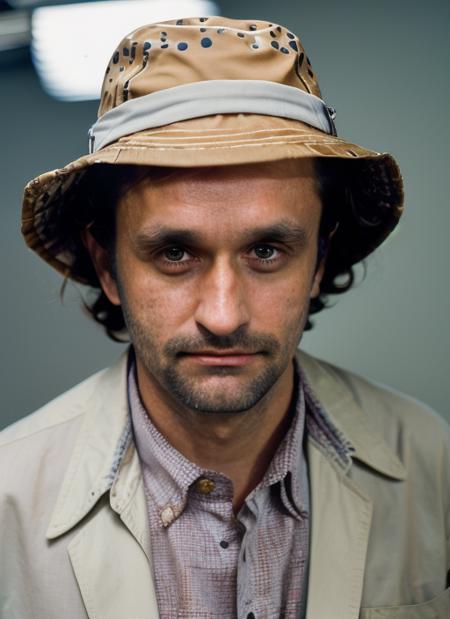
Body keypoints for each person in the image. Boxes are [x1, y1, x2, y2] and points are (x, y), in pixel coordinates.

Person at [0, 15, 449, 619]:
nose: (222, 314)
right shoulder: (8, 500)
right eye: (174, 253)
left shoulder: (431, 461)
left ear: (319, 259)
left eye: (266, 251)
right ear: (107, 266)